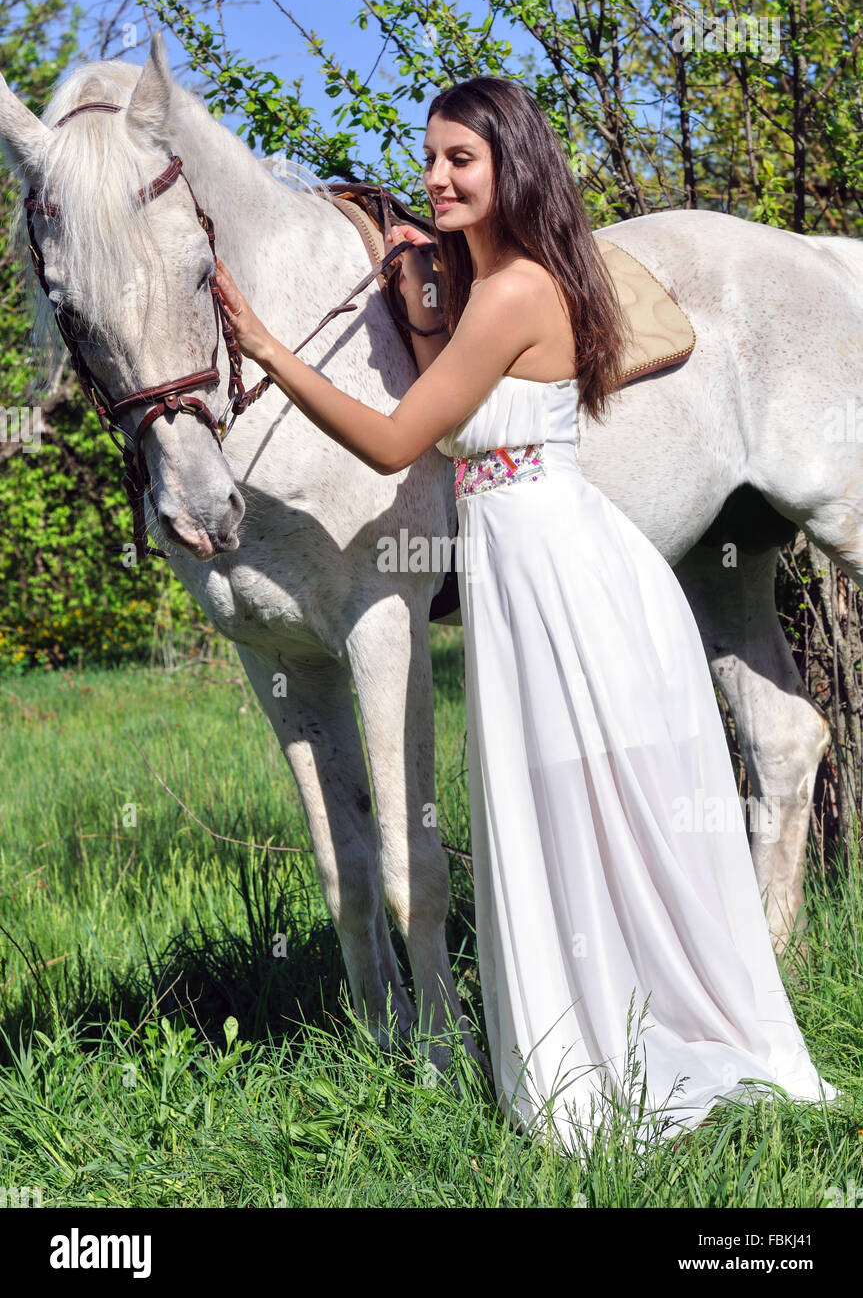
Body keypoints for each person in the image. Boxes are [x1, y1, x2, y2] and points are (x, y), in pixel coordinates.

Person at [214, 76, 839, 1157]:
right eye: (431, 157)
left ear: (511, 165)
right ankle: (599, 1034)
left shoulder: (510, 296)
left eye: (462, 158)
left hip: (554, 571)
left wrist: (268, 353)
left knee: (560, 800)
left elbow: (396, 439)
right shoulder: (494, 287)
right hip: (530, 564)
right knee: (553, 810)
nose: (437, 176)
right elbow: (453, 389)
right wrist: (418, 292)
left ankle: (602, 1058)